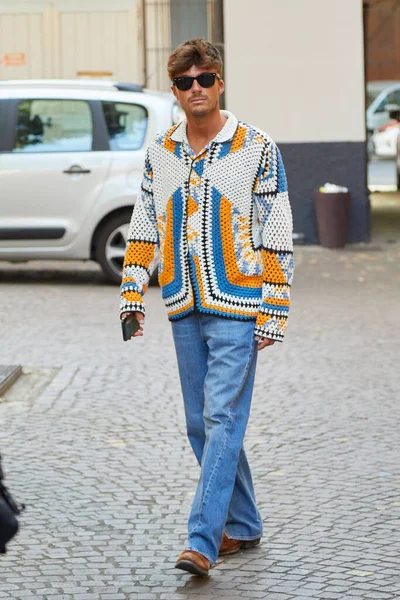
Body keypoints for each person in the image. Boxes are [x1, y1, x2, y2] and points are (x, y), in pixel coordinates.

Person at [120, 38, 294, 576]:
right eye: (183, 81)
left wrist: (275, 308)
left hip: (238, 306)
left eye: (204, 78)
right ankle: (243, 524)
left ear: (220, 82)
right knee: (202, 425)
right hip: (182, 305)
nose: (195, 88)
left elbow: (278, 230)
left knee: (222, 417)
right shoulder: (162, 151)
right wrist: (132, 296)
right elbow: (145, 225)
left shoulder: (256, 147)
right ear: (174, 90)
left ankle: (203, 538)